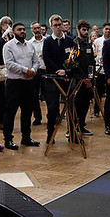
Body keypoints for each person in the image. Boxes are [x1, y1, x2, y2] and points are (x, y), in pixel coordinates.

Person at [2, 22, 40, 149]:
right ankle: (8, 139)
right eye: (19, 30)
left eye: (24, 29)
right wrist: (25, 70)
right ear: (13, 32)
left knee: (27, 112)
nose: (22, 31)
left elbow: (36, 61)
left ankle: (26, 137)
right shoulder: (8, 46)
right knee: (10, 113)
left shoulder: (30, 45)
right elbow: (9, 64)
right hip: (14, 84)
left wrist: (33, 71)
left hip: (29, 83)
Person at [42, 14, 71, 144]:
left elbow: (72, 57)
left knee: (70, 106)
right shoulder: (47, 41)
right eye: (56, 25)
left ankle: (72, 133)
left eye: (60, 25)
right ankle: (50, 135)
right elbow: (47, 58)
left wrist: (66, 70)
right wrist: (57, 71)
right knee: (52, 107)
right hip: (53, 79)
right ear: (51, 27)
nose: (58, 27)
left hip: (66, 78)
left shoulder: (69, 40)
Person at [72, 20, 95, 135]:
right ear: (78, 30)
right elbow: (73, 63)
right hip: (77, 81)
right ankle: (71, 129)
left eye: (87, 30)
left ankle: (81, 126)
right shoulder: (74, 44)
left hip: (88, 81)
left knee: (85, 104)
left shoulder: (89, 45)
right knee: (75, 106)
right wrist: (83, 78)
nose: (86, 32)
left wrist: (90, 78)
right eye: (83, 30)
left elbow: (92, 63)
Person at [92, 22, 110, 117]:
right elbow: (94, 54)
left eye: (109, 29)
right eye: (106, 29)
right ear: (103, 30)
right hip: (99, 69)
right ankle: (96, 110)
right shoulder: (97, 41)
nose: (108, 30)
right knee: (98, 92)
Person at [27, 22, 44, 125]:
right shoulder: (29, 43)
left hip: (46, 70)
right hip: (35, 72)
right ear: (32, 30)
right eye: (35, 28)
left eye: (38, 28)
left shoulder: (47, 41)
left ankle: (54, 116)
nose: (37, 30)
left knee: (50, 95)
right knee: (34, 96)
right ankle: (37, 117)